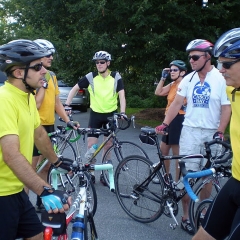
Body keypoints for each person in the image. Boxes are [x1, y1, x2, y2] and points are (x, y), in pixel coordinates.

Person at [155, 39, 231, 235]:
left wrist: (220, 131)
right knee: (187, 175)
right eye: (190, 57)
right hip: (189, 132)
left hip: (210, 133)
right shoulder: (188, 79)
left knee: (207, 176)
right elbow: (176, 103)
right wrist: (165, 123)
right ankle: (186, 215)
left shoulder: (221, 79)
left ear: (208, 57)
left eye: (195, 57)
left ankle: (203, 212)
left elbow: (226, 108)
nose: (191, 60)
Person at [0, 39, 72, 240]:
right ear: (18, 73)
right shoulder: (4, 100)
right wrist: (44, 190)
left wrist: (56, 161)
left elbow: (39, 134)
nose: (44, 71)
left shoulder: (26, 96)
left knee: (39, 236)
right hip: (2, 195)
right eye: (37, 66)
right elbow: (11, 154)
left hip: (16, 190)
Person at [192, 28, 240, 240]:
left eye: (227, 64)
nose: (221, 69)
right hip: (236, 180)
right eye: (219, 63)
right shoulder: (233, 90)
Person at [65, 50, 126, 185]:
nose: (99, 64)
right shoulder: (91, 77)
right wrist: (67, 104)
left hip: (111, 114)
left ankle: (104, 174)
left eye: (102, 62)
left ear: (108, 63)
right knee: (92, 145)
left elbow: (122, 95)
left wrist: (122, 112)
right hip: (95, 115)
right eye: (97, 62)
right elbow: (75, 88)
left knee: (108, 145)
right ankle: (90, 173)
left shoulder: (116, 77)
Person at [31, 39, 75, 213]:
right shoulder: (32, 78)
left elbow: (57, 102)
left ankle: (42, 200)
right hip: (36, 126)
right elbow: (36, 104)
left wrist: (67, 120)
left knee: (47, 166)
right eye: (47, 54)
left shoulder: (52, 75)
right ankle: (24, 205)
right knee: (31, 167)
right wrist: (42, 86)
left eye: (52, 54)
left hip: (49, 126)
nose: (51, 57)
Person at [153, 60, 187, 184]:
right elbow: (158, 92)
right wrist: (163, 77)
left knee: (177, 153)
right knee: (164, 151)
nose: (172, 72)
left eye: (175, 70)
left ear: (182, 72)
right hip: (168, 119)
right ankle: (167, 177)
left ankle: (178, 181)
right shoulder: (173, 84)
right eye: (170, 70)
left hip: (179, 118)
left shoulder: (184, 84)